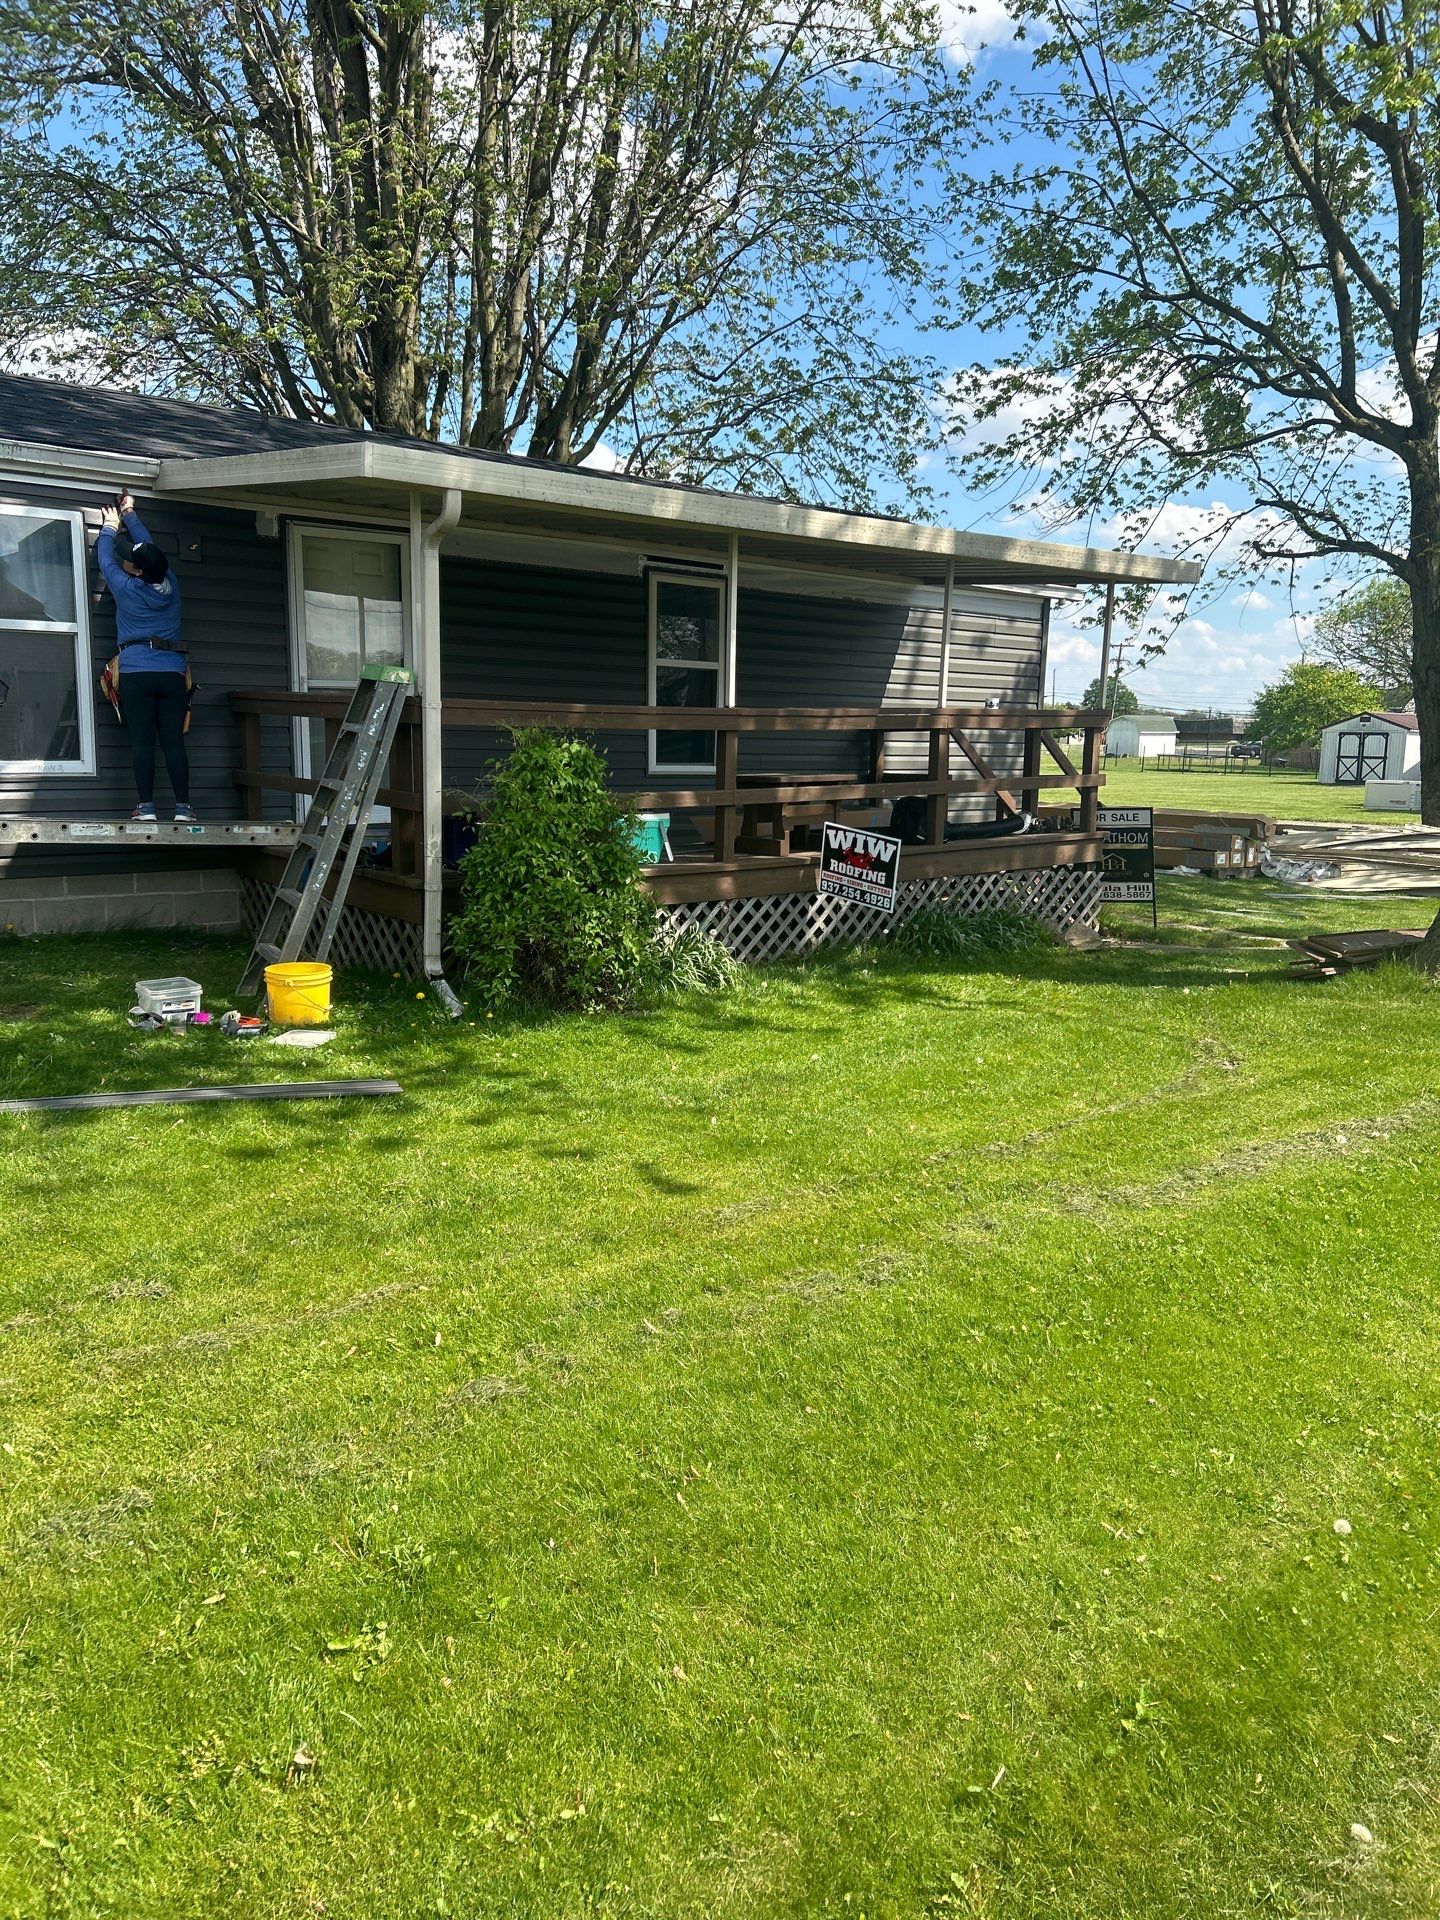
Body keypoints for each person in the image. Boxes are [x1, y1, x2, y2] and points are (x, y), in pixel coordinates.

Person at [96, 489, 194, 822]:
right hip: (172, 673)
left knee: (142, 742)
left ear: (137, 572)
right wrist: (130, 513)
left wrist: (110, 527)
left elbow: (105, 560)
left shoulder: (126, 588)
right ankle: (183, 809)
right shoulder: (171, 581)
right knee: (173, 742)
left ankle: (146, 809)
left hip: (137, 672)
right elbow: (148, 547)